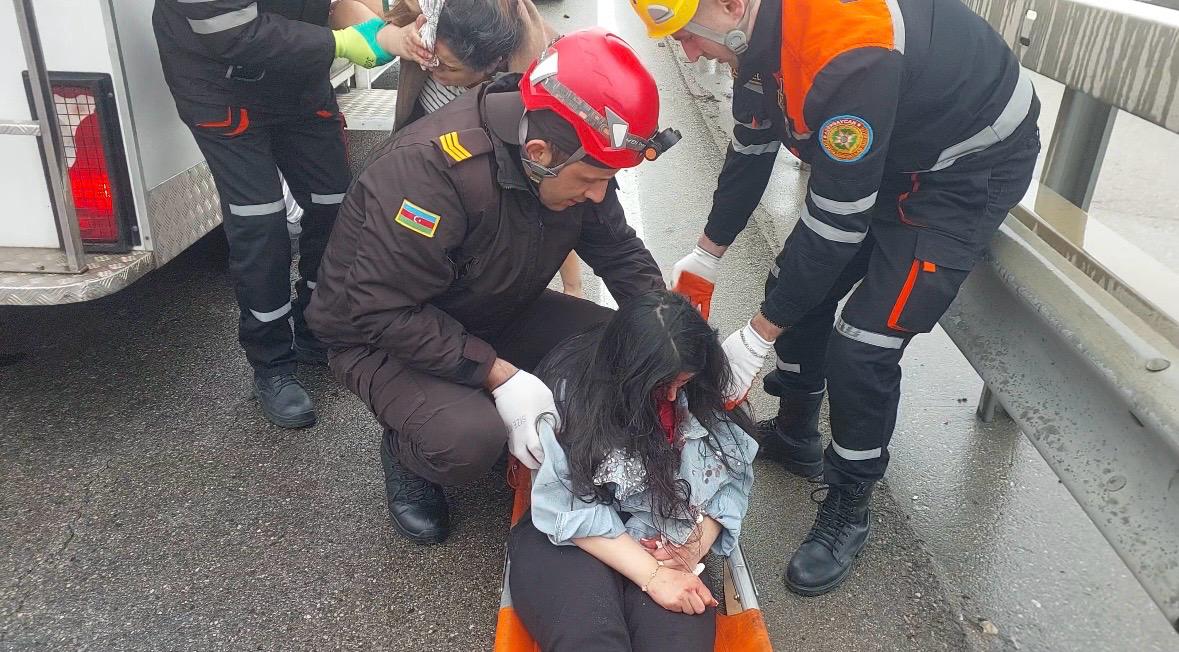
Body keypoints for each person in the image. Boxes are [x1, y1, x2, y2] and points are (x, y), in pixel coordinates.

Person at [629, 0, 1040, 596]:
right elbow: (751, 152)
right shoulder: (755, 38)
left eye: (686, 35)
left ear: (731, 6)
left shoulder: (847, 53)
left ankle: (850, 500)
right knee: (793, 285)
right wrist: (707, 253)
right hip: (897, 146)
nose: (688, 54)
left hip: (963, 169)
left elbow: (837, 226)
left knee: (864, 343)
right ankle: (797, 432)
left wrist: (757, 337)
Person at [305, 28, 682, 544]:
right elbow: (382, 310)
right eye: (592, 181)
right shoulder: (430, 173)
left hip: (493, 305)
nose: (600, 196)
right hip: (380, 335)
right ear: (539, 152)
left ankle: (489, 398)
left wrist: (669, 337)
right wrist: (498, 374)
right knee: (466, 439)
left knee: (621, 346)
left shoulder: (574, 156)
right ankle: (407, 454)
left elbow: (619, 252)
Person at [153, 0, 402, 428]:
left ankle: (315, 328)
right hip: (220, 84)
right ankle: (271, 364)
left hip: (296, 78)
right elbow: (228, 31)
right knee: (262, 224)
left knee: (338, 206)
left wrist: (380, 31)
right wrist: (343, 43)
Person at [507, 291, 758, 652]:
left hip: (664, 530)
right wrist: (652, 576)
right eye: (662, 385)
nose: (671, 397)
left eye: (682, 383)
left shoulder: (699, 388)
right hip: (574, 539)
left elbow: (730, 476)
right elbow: (564, 507)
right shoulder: (571, 392)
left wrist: (695, 543)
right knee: (590, 641)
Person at [332, 0, 587, 296]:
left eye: (450, 67)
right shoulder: (434, 23)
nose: (433, 68)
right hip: (430, 160)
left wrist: (572, 286)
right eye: (432, 58)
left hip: (473, 180)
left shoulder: (531, 87)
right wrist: (397, 38)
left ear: (492, 66)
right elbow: (345, 14)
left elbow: (551, 196)